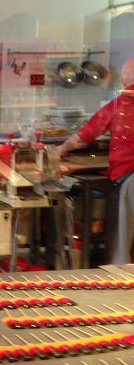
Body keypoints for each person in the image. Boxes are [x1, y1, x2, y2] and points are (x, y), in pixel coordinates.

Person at [58, 58, 134, 264]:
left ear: (123, 80)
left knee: (122, 243)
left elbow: (83, 137)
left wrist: (62, 148)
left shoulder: (119, 105)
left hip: (129, 177)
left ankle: (120, 280)